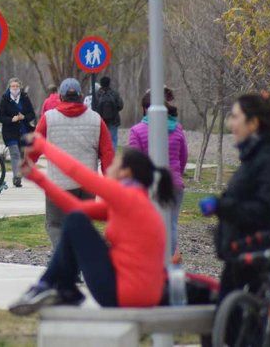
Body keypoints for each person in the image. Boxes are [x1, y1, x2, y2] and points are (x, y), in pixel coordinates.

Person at [9, 136, 171, 315]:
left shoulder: (127, 196)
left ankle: (50, 285)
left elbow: (78, 173)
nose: (109, 167)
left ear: (126, 172)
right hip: (143, 296)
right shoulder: (136, 202)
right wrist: (37, 177)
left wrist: (43, 146)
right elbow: (76, 208)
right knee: (76, 220)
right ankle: (63, 288)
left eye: (115, 163)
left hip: (121, 294)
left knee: (76, 221)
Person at [198, 92, 270, 301]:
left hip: (256, 259)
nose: (230, 124)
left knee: (239, 318)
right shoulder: (255, 155)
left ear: (253, 123)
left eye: (235, 117)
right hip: (242, 257)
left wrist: (221, 206)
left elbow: (267, 212)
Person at [35, 78, 114, 247]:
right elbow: (107, 152)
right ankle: (82, 257)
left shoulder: (49, 118)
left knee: (55, 224)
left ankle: (66, 258)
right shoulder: (96, 119)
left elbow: (34, 146)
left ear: (61, 97)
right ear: (81, 96)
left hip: (59, 184)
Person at [128, 87, 187, 258]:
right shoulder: (177, 128)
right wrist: (176, 174)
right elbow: (183, 156)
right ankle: (167, 261)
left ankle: (151, 260)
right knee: (171, 225)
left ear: (145, 108)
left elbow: (134, 162)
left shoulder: (137, 131)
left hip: (148, 185)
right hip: (174, 184)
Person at [0, 78, 36, 188]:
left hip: (23, 131)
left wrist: (24, 117)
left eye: (17, 86)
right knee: (15, 154)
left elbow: (32, 114)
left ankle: (19, 174)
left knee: (22, 155)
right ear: (9, 87)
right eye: (13, 86)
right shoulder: (5, 99)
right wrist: (11, 119)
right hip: (9, 131)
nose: (15, 88)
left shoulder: (24, 98)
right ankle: (16, 177)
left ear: (20, 87)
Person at [94, 76, 124, 149]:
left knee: (102, 140)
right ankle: (112, 154)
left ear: (101, 84)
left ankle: (103, 154)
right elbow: (120, 106)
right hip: (113, 121)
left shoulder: (97, 94)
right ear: (109, 83)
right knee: (113, 139)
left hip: (100, 121)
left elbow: (94, 108)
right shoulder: (115, 94)